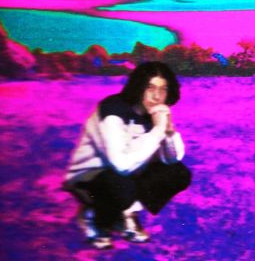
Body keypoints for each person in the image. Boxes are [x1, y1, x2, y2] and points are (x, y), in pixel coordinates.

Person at [63, 61, 192, 249]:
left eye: (163, 89)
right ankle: (92, 217)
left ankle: (124, 215)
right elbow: (120, 164)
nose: (157, 96)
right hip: (89, 176)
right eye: (150, 88)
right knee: (121, 183)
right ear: (138, 87)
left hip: (125, 173)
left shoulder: (152, 113)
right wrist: (157, 130)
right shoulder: (112, 111)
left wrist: (169, 132)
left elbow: (172, 159)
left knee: (178, 173)